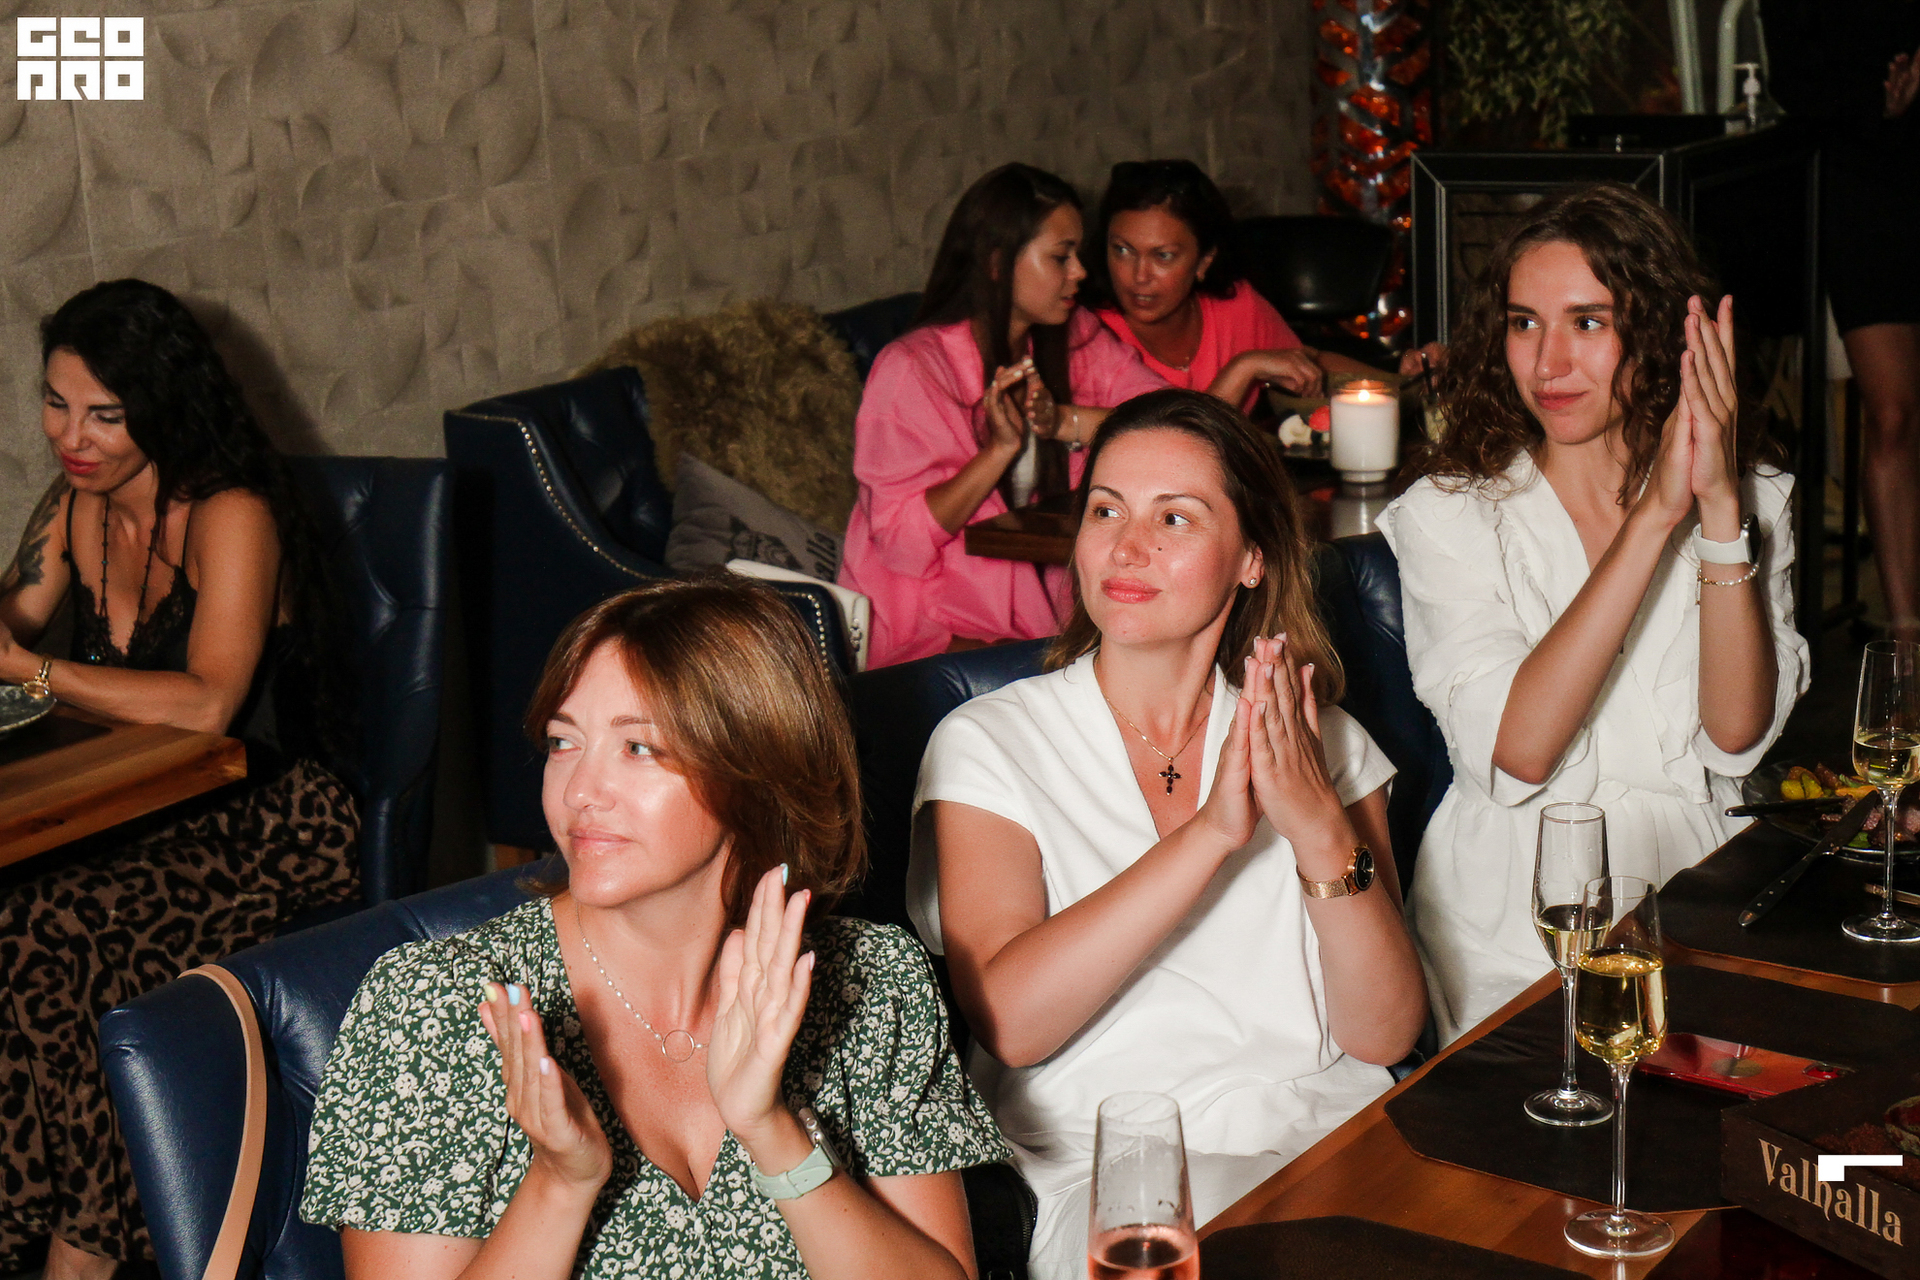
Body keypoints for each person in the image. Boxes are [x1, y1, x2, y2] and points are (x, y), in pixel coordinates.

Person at [302, 579, 1007, 1280]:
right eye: (563, 742)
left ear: (757, 768)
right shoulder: (437, 1007)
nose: (579, 791)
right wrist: (560, 1182)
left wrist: (772, 1132)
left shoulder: (869, 981)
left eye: (638, 748)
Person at [906, 389, 1427, 1280]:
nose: (1127, 545)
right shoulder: (990, 742)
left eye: (1175, 517)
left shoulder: (1322, 741)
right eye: (1106, 510)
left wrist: (1315, 825)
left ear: (1252, 558)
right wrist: (1213, 833)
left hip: (1330, 1142)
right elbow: (1010, 1022)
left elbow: (1384, 1033)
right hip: (1115, 1170)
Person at [1377, 184, 1808, 1044]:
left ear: (1660, 335)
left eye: (1587, 322)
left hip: (1703, 884)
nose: (1548, 364)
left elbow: (1734, 738)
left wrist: (1718, 510)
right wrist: (1653, 518)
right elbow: (1520, 751)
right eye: (1524, 323)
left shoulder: (1754, 498)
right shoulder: (1449, 515)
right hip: (1517, 912)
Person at [0, 278, 359, 1280]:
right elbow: (12, 619)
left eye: (105, 414)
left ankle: (86, 1243)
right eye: (57, 402)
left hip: (269, 818)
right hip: (137, 804)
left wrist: (32, 670)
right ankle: (37, 1214)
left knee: (44, 929)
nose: (72, 436)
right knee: (18, 914)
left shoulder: (230, 512)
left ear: (161, 404)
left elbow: (208, 702)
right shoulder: (73, 507)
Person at [838, 163, 1167, 667]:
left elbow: (1168, 421)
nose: (1080, 272)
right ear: (997, 262)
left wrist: (1064, 421)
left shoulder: (1074, 337)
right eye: (1061, 257)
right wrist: (999, 451)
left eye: (1078, 254)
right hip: (929, 634)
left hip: (1040, 617)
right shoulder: (912, 369)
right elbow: (902, 544)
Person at [1761, 0, 1920, 639]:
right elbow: (1792, 79)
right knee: (1894, 413)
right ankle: (1907, 635)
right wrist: (1877, 101)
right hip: (1861, 184)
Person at [1083, 159, 1444, 412]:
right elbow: (1172, 444)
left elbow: (1307, 363)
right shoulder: (1089, 333)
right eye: (1122, 250)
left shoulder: (1234, 306)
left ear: (1204, 262)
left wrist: (1404, 383)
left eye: (1162, 256)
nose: (1139, 276)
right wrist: (1245, 367)